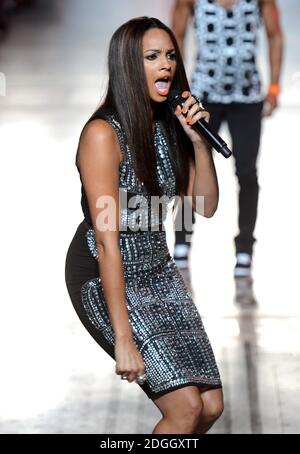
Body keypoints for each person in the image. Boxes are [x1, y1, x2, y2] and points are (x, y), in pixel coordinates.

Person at [65, 16, 223, 434]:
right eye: (152, 57)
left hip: (157, 268)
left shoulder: (171, 125)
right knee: (185, 408)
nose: (166, 65)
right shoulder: (103, 134)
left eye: (170, 55)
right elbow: (107, 240)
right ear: (128, 67)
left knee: (210, 405)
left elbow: (203, 207)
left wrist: (197, 143)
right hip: (104, 272)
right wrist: (123, 338)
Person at [172, 0, 283, 277]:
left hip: (246, 97)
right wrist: (180, 90)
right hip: (203, 94)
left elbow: (274, 34)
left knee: (246, 172)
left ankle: (245, 247)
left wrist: (273, 87)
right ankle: (182, 239)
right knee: (188, 167)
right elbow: (177, 36)